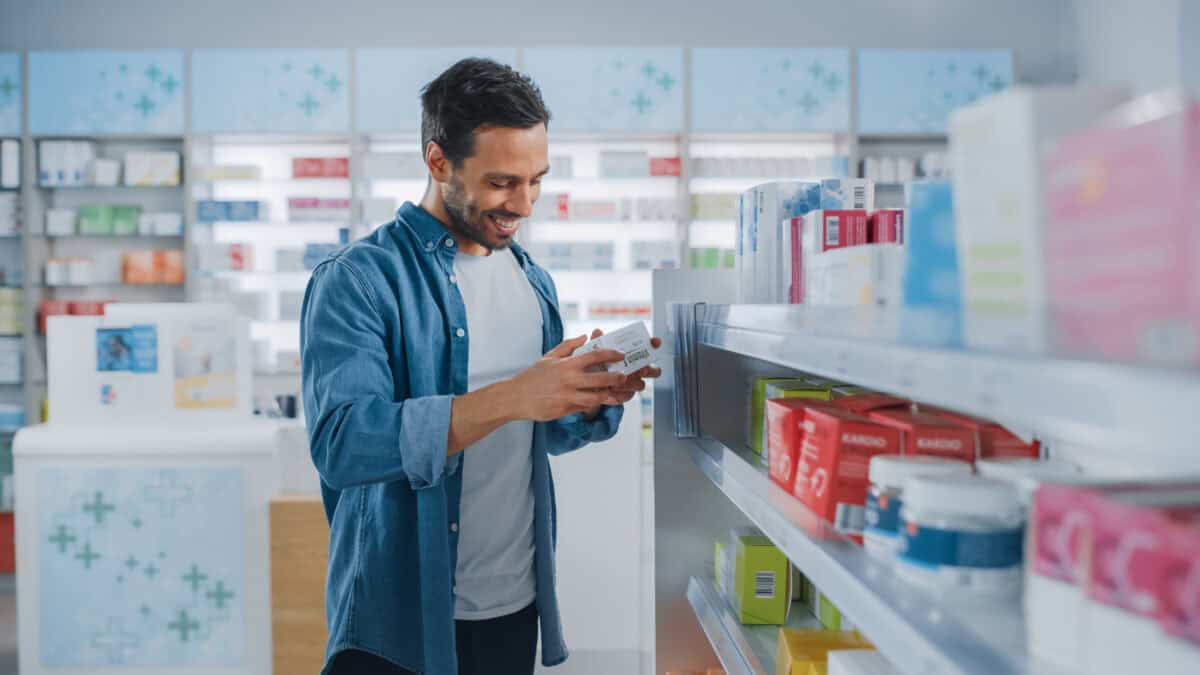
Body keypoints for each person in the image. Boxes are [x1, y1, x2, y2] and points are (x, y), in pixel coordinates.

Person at [300, 57, 661, 675]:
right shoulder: (358, 281)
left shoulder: (531, 279)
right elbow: (344, 444)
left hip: (513, 606)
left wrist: (586, 398)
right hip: (398, 623)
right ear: (438, 162)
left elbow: (536, 435)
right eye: (501, 183)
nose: (523, 204)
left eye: (536, 181)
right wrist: (518, 395)